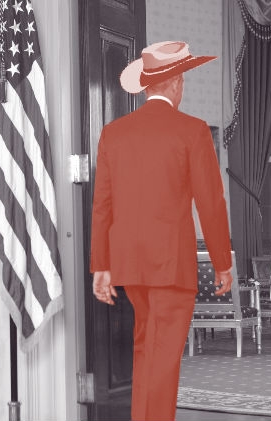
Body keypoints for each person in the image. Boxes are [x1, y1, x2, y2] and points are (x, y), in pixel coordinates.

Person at [89, 40, 234, 421]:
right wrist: (222, 262)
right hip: (171, 265)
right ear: (176, 83)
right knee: (163, 359)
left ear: (147, 85)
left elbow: (102, 205)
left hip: (130, 266)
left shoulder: (113, 133)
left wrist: (101, 266)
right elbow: (211, 202)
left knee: (146, 350)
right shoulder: (192, 131)